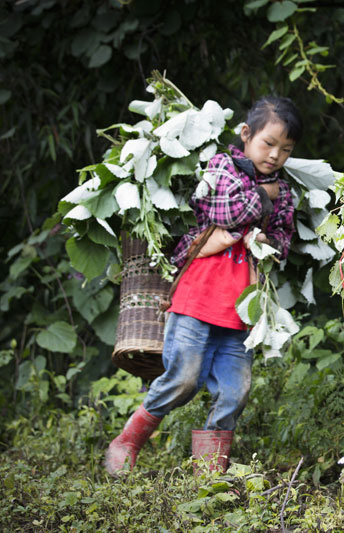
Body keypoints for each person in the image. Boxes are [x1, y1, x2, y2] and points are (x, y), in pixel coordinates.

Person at [104, 96, 301, 475]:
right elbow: (224, 211)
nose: (275, 156)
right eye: (268, 144)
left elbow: (282, 241)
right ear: (246, 134)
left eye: (286, 150)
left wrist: (267, 242)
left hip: (241, 308)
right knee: (183, 378)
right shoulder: (222, 166)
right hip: (198, 297)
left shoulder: (286, 192)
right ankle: (128, 440)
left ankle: (208, 474)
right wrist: (263, 197)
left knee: (235, 391)